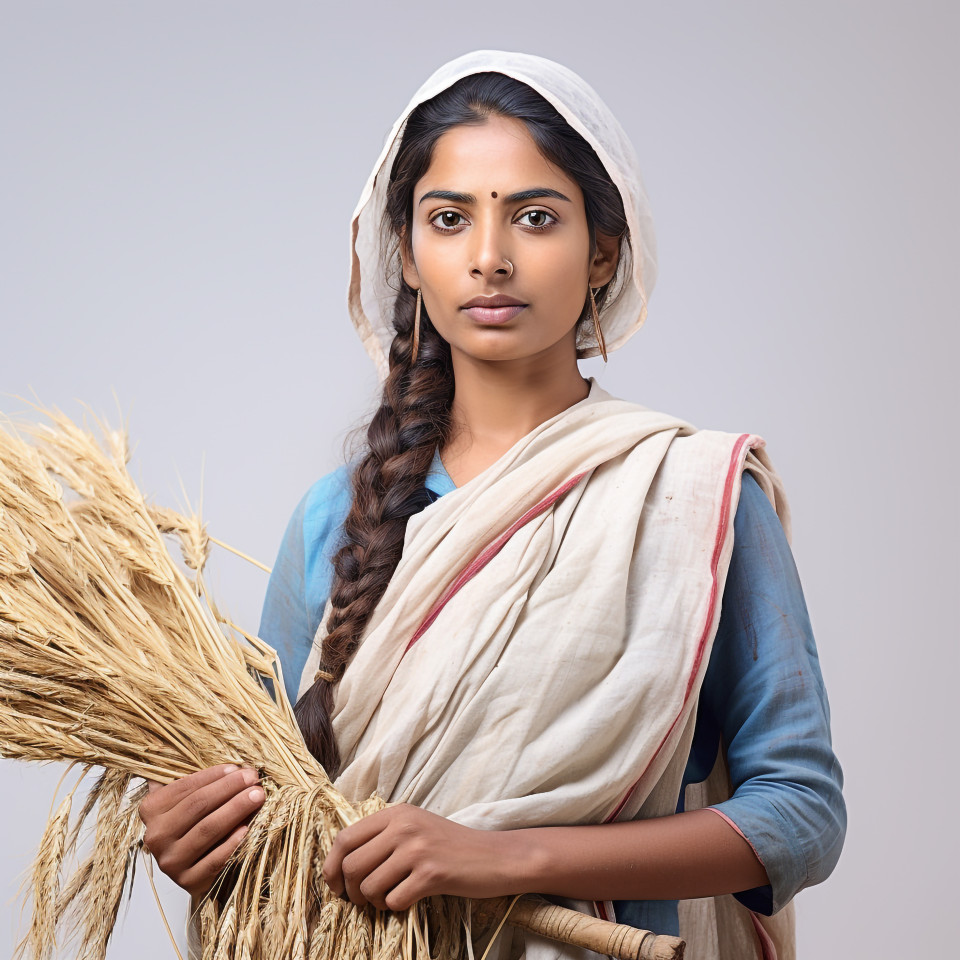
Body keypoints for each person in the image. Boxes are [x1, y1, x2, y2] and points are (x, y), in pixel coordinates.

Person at [138, 51, 845, 960]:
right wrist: (203, 834)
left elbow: (802, 816)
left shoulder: (693, 499)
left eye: (536, 218)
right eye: (449, 219)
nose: (490, 258)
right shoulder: (334, 518)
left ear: (602, 251)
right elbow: (285, 810)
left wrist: (505, 856)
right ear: (408, 252)